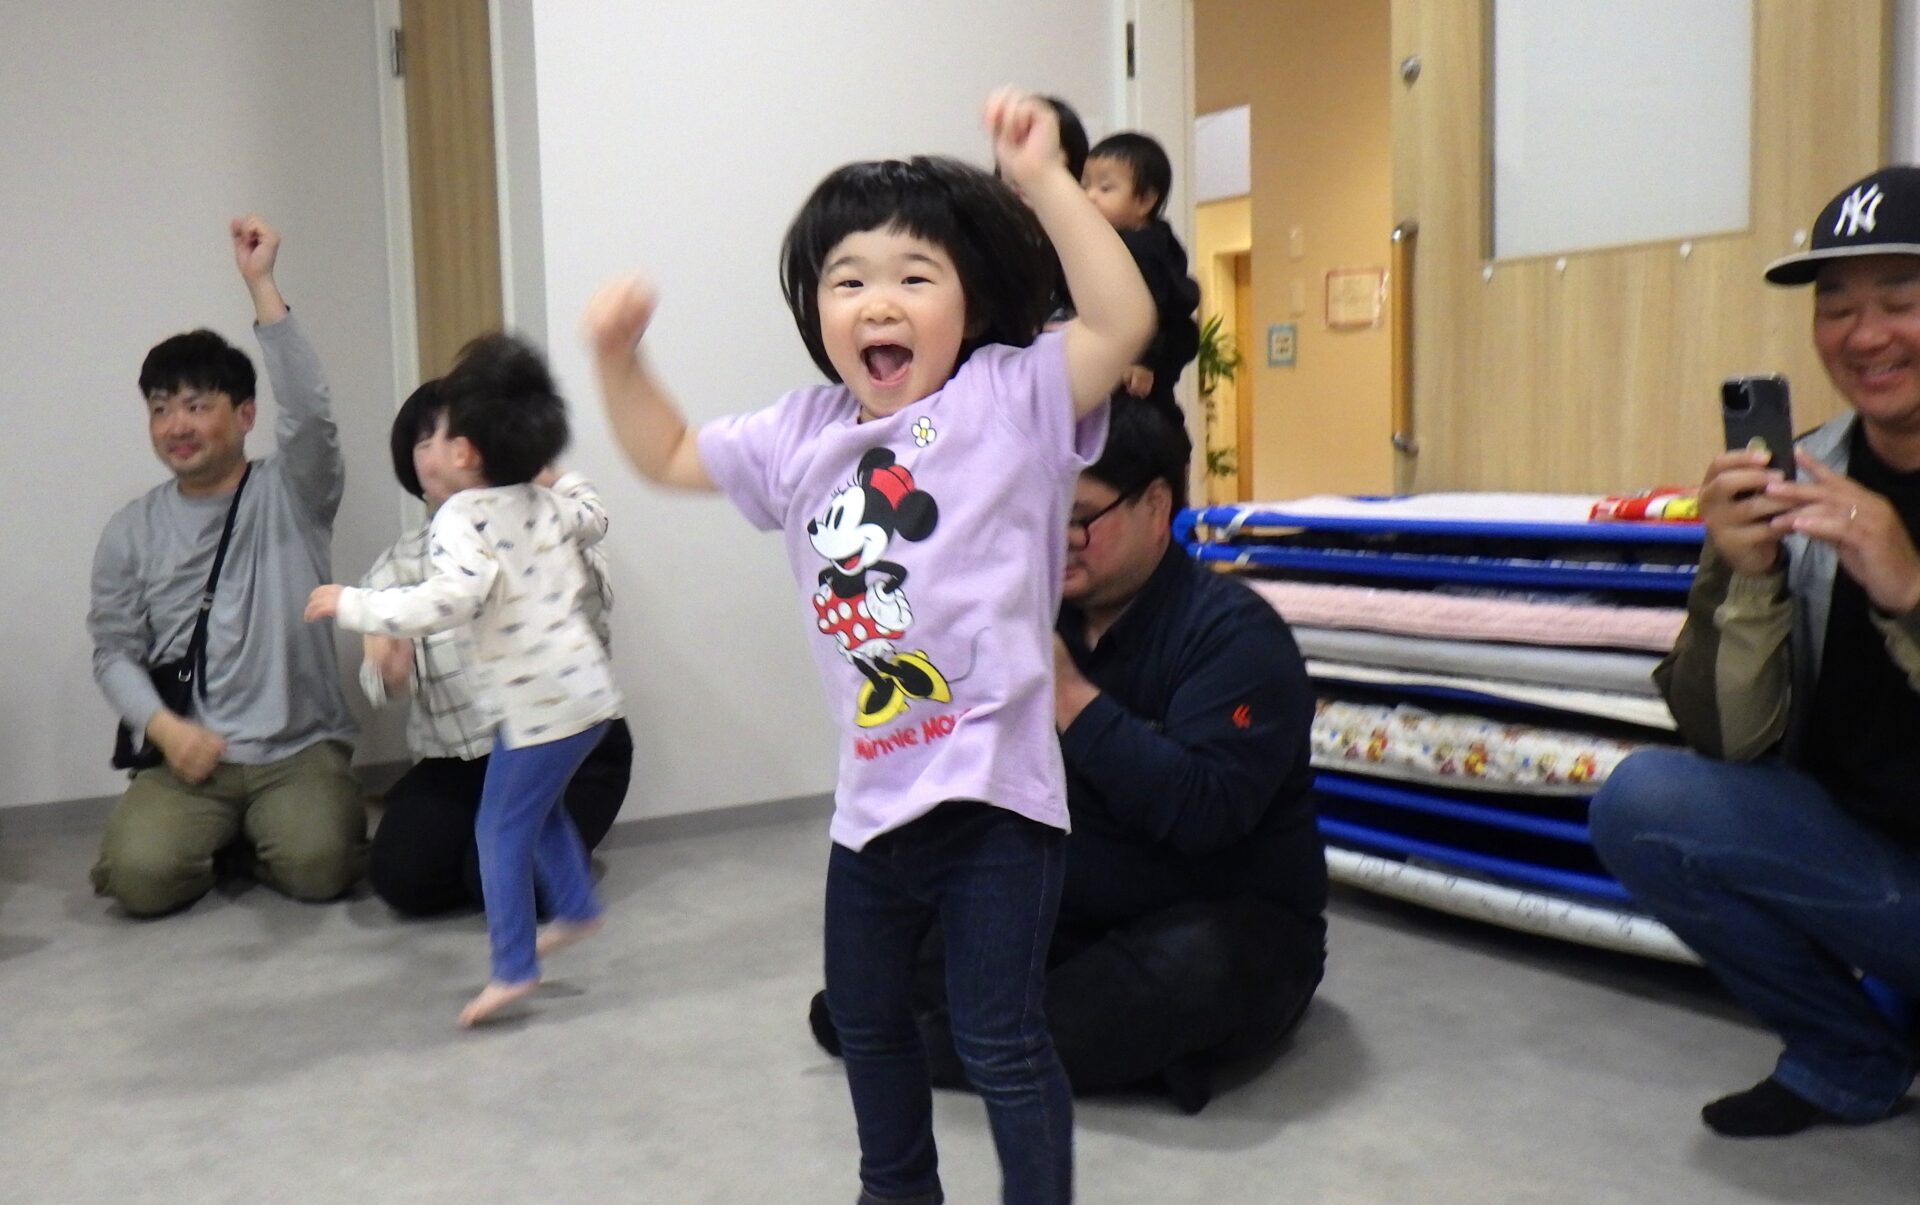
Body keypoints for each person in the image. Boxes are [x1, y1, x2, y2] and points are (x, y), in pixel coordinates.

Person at [586, 88, 1152, 1205]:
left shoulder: (1011, 397)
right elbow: (665, 452)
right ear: (817, 309)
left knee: (998, 1036)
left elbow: (1121, 321)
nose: (877, 300)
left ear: (968, 300)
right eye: (847, 279)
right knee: (867, 1020)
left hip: (995, 796)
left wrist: (1043, 179)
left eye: (913, 276)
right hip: (872, 806)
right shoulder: (799, 433)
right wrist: (617, 355)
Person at [813, 397, 1327, 1114]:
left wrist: (1068, 692)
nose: (1058, 541)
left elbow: (1205, 813)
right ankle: (1099, 1050)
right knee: (889, 956)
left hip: (1219, 914)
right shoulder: (1035, 612)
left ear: (1156, 505)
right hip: (1067, 907)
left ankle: (955, 1048)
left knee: (1199, 969)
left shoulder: (1235, 635)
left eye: (1080, 518)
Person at [1590, 165, 1920, 1138]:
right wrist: (1748, 582)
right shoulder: (1803, 477)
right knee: (1644, 801)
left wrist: (1910, 592)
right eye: (1837, 306)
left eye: (1900, 300)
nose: (1866, 334)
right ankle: (1843, 1053)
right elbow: (1729, 745)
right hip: (1872, 869)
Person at [306, 334, 622, 1028]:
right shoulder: (544, 504)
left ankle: (513, 968)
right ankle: (575, 906)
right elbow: (594, 515)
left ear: (467, 451)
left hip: (538, 709)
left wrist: (354, 604)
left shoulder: (461, 518)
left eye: (444, 432)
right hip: (584, 699)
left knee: (500, 830)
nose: (434, 447)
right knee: (538, 811)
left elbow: (451, 598)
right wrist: (562, 478)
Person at [88, 216, 365, 917]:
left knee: (322, 868)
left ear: (244, 415)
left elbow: (311, 414)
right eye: (160, 409)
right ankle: (230, 837)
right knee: (138, 879)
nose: (175, 425)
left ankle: (260, 838)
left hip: (297, 747)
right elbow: (114, 651)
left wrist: (262, 284)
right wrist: (164, 729)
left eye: (195, 405)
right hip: (192, 751)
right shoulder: (130, 529)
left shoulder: (296, 492)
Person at [359, 379, 634, 919]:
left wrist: (544, 486)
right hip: (463, 762)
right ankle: (494, 849)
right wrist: (389, 669)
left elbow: (594, 614)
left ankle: (521, 854)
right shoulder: (396, 566)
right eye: (423, 441)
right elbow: (382, 681)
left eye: (455, 435)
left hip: (566, 749)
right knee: (400, 878)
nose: (441, 451)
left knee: (499, 884)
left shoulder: (543, 523)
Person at [1081, 131, 1201, 413]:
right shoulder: (1153, 237)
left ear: (1144, 201)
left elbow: (1151, 308)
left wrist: (1144, 361)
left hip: (1145, 362)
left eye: (1105, 188)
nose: (1089, 196)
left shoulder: (1140, 248)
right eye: (1084, 185)